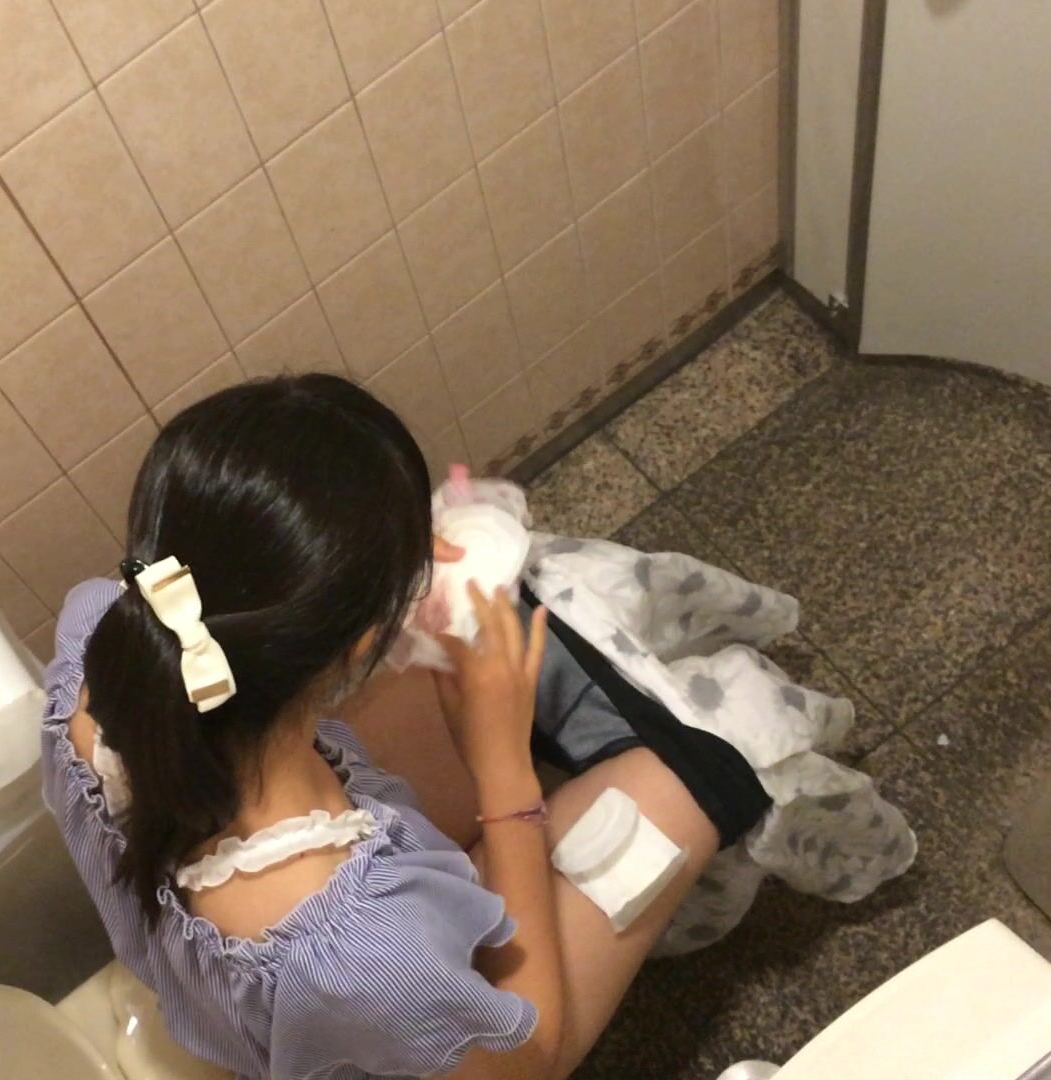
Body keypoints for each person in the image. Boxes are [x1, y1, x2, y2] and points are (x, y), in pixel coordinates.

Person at [40, 373, 722, 1079]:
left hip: (259, 985)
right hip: (397, 1010)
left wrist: (362, 576)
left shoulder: (97, 643)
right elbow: (528, 1061)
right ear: (363, 641)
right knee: (697, 776)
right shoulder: (365, 955)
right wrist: (506, 778)